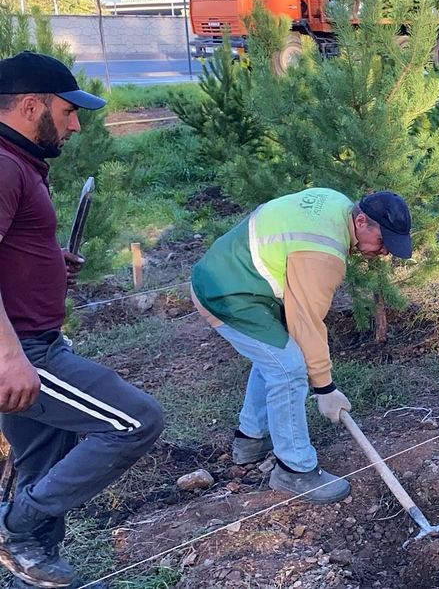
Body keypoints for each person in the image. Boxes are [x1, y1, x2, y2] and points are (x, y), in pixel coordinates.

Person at [0, 52, 165, 588]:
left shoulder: (19, 161)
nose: (76, 124)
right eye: (69, 111)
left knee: (43, 456)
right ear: (30, 105)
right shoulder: (2, 165)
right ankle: (17, 528)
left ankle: (28, 559)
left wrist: (46, 264)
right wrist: (9, 358)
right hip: (24, 349)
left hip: (31, 340)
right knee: (134, 421)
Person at [190, 188, 412, 503]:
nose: (384, 253)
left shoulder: (336, 202)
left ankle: (249, 441)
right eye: (382, 242)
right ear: (361, 221)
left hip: (231, 273)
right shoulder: (324, 252)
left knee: (275, 356)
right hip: (226, 292)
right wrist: (325, 388)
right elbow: (307, 324)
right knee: (289, 367)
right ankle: (294, 470)